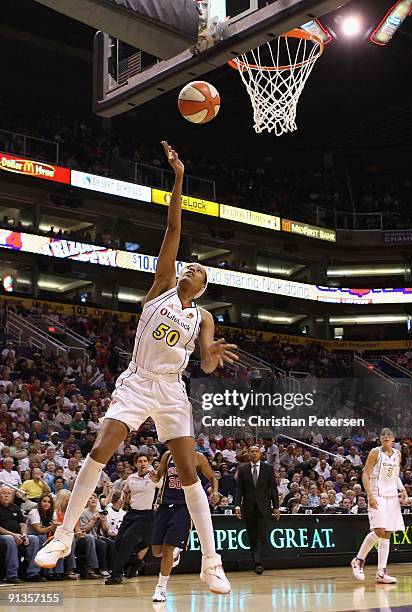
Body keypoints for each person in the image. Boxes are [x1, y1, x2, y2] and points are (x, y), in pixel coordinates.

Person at [36, 142, 237, 594]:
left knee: (188, 472)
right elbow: (172, 227)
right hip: (137, 380)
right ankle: (63, 535)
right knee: (103, 445)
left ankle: (210, 561)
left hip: (171, 390)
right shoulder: (163, 286)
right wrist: (180, 177)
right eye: (188, 266)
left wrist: (214, 354)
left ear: (202, 288)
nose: (189, 270)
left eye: (197, 271)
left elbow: (203, 362)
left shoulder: (203, 317)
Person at [150, 450, 218, 602]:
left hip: (184, 506)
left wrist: (215, 491)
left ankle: (160, 589)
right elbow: (159, 475)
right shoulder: (167, 456)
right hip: (164, 504)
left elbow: (212, 477)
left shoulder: (197, 457)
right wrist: (155, 477)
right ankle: (175, 553)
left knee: (168, 548)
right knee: (156, 551)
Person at [351, 428, 407, 584]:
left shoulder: (398, 454)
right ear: (380, 439)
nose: (386, 437)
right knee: (379, 531)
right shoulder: (375, 453)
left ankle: (381, 572)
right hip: (377, 495)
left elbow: (395, 477)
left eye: (389, 434)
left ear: (393, 438)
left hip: (392, 497)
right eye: (383, 435)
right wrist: (370, 495)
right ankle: (358, 560)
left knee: (387, 533)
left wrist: (402, 490)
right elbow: (365, 475)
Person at [105, 453, 156, 584]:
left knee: (126, 543)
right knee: (118, 543)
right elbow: (126, 491)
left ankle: (116, 576)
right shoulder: (131, 478)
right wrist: (123, 498)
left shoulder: (154, 477)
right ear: (135, 464)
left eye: (145, 461)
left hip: (146, 515)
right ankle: (136, 562)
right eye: (140, 461)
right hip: (132, 513)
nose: (143, 463)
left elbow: (163, 489)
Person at [234, 446, 280, 575]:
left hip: (264, 507)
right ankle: (257, 562)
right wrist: (237, 505)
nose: (254, 453)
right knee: (252, 536)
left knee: (262, 535)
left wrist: (276, 506)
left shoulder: (268, 468)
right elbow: (240, 490)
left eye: (256, 451)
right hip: (248, 507)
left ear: (260, 454)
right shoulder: (243, 469)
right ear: (249, 454)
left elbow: (273, 489)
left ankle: (258, 560)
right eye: (252, 451)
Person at [0, 485, 45, 583]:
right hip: (4, 537)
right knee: (9, 539)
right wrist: (13, 535)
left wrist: (24, 534)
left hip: (17, 535)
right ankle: (11, 575)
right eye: (3, 493)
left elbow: (23, 524)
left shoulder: (15, 508)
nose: (6, 496)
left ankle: (33, 573)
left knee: (34, 539)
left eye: (9, 493)